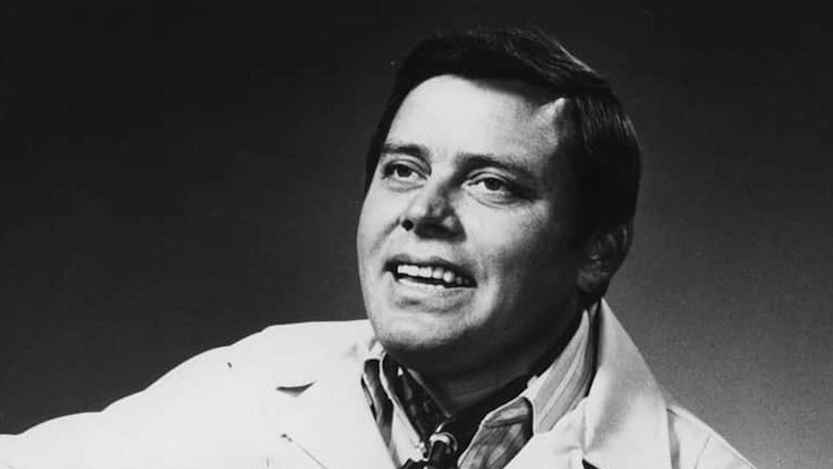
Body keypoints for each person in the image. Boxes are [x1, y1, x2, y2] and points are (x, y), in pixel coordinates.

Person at [0, 27, 754, 469]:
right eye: (403, 169)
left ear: (598, 252)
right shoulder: (247, 383)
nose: (424, 211)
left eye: (491, 183)